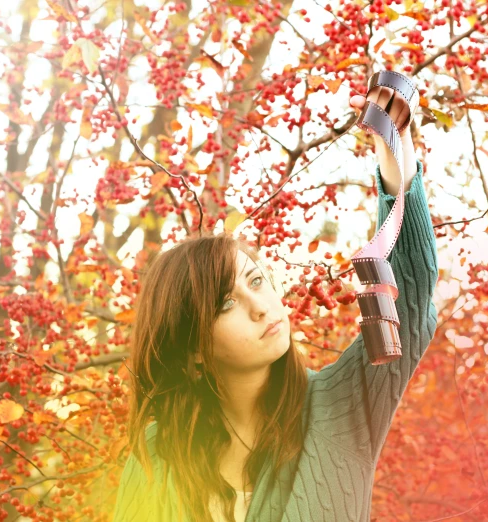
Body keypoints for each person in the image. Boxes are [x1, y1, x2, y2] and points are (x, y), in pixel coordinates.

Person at [111, 83, 439, 522]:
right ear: (192, 352)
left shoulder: (339, 403)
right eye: (225, 304)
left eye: (256, 281)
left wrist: (394, 143)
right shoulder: (157, 454)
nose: (262, 307)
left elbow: (410, 295)